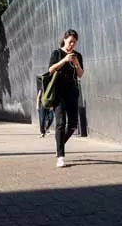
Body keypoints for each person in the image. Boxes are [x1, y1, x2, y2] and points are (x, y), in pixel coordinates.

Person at [48, 29, 84, 168]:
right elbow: (51, 69)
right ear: (64, 40)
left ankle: (59, 145)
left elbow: (80, 74)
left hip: (72, 92)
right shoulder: (56, 53)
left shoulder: (78, 56)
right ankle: (60, 156)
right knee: (61, 123)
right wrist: (64, 60)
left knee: (73, 124)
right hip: (58, 93)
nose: (71, 45)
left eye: (74, 43)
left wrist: (76, 63)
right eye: (70, 42)